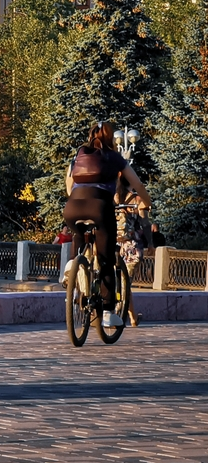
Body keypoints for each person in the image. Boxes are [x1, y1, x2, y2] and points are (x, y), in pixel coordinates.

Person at [62, 120, 151, 329]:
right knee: (106, 258)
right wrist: (147, 202)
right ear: (111, 138)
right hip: (100, 208)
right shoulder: (114, 157)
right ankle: (109, 312)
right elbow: (137, 184)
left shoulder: (79, 154)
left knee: (79, 235)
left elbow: (68, 184)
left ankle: (73, 265)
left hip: (72, 208)